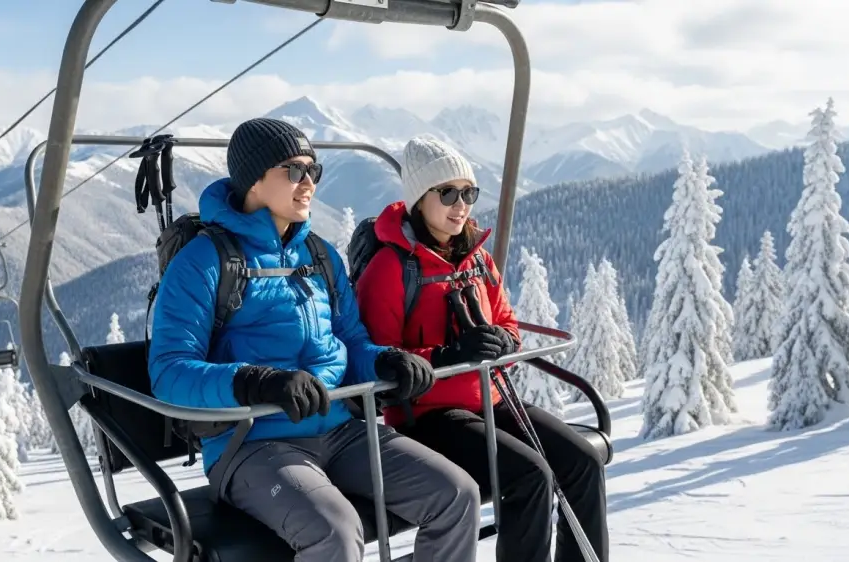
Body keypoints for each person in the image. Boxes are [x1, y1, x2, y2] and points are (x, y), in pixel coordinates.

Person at [147, 118, 482, 562]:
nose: (308, 184)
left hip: (339, 430)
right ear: (253, 179)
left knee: (456, 495)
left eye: (314, 171)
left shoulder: (319, 256)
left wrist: (385, 362)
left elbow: (350, 342)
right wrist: (256, 381)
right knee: (336, 534)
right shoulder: (204, 262)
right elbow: (169, 370)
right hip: (251, 445)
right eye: (293, 171)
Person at [354, 137, 609, 562]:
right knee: (528, 475)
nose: (461, 205)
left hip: (488, 402)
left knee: (582, 460)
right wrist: (448, 356)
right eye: (448, 193)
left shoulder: (475, 259)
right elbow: (380, 361)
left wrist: (503, 340)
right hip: (428, 416)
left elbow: (507, 321)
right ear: (420, 198)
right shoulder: (391, 269)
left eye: (468, 193)